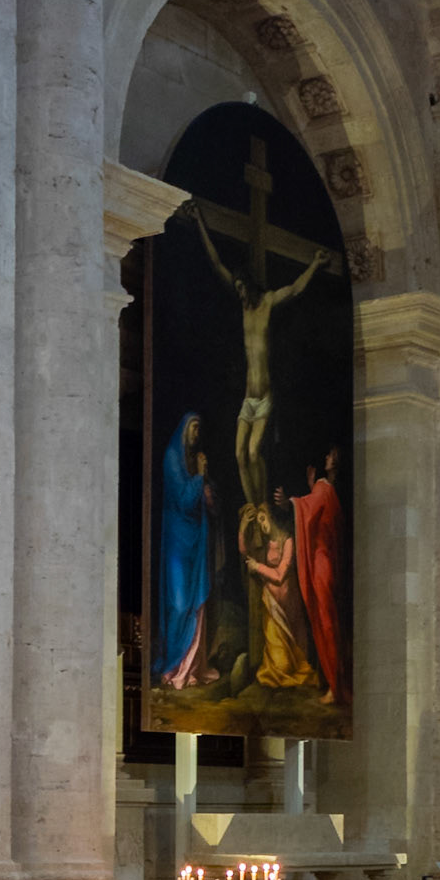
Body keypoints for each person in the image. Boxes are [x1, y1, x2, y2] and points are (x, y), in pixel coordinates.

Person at [187, 205, 329, 507]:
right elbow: (216, 263)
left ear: (250, 285)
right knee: (239, 456)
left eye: (242, 288)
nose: (240, 294)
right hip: (247, 400)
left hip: (264, 397)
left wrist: (315, 265)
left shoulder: (266, 303)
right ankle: (252, 509)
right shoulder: (243, 308)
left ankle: (262, 504)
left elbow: (294, 290)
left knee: (253, 452)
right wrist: (200, 221)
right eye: (236, 290)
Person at [275, 445, 348, 704]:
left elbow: (309, 508)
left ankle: (335, 688)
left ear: (335, 462)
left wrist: (290, 503)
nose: (327, 457)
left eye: (330, 456)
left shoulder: (325, 489)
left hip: (321, 563)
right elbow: (315, 511)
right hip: (325, 562)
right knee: (326, 622)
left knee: (325, 621)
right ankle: (333, 682)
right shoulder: (329, 492)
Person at [155, 412, 221, 689]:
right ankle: (173, 666)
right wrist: (200, 478)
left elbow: (209, 502)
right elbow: (183, 500)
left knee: (196, 604)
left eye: (199, 428)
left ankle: (191, 668)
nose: (196, 434)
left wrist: (208, 488)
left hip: (196, 542)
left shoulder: (196, 461)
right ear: (184, 431)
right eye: (193, 428)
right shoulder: (172, 459)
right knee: (180, 603)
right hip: (177, 542)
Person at [242, 501, 318, 690]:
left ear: (271, 517)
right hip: (271, 605)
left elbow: (280, 575)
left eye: (263, 519)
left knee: (291, 665)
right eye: (259, 522)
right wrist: (243, 527)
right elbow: (245, 552)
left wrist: (258, 567)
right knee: (277, 667)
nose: (262, 525)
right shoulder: (266, 544)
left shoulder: (288, 541)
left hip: (288, 604)